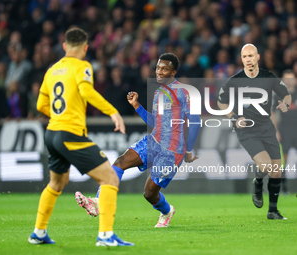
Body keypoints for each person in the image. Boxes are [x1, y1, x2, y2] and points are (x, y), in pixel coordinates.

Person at [28, 28, 134, 247]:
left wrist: (58, 115)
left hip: (52, 133)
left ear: (65, 46)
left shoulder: (52, 70)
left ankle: (38, 232)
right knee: (110, 179)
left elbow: (40, 105)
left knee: (57, 183)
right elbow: (86, 92)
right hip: (70, 133)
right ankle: (105, 236)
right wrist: (113, 112)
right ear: (85, 48)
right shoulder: (83, 66)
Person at [75, 53, 200, 227]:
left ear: (173, 72)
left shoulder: (184, 92)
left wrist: (188, 150)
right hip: (154, 141)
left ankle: (166, 211)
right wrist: (137, 107)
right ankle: (98, 202)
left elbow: (195, 122)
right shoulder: (159, 92)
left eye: (165, 69)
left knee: (149, 193)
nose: (159, 71)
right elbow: (155, 123)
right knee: (120, 162)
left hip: (171, 151)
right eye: (158, 67)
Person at [217, 44, 291, 220]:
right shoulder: (235, 80)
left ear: (258, 57)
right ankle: (258, 182)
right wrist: (233, 117)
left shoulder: (268, 77)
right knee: (265, 166)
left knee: (276, 171)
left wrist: (285, 104)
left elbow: (285, 93)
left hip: (266, 127)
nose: (248, 60)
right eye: (244, 57)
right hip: (246, 129)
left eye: (251, 56)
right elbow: (221, 101)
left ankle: (273, 211)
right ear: (241, 59)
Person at [271, 69, 297, 193]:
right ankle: (284, 186)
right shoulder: (278, 95)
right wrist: (276, 131)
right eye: (286, 78)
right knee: (284, 159)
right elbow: (273, 114)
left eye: (291, 78)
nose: (289, 81)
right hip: (284, 129)